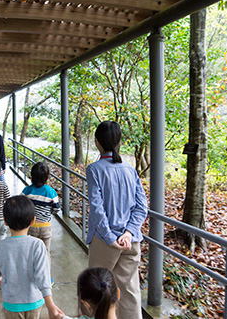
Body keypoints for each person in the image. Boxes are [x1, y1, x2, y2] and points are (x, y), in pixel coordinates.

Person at [85, 121, 148, 319]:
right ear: (119, 141)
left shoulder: (94, 169)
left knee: (97, 292)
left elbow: (96, 208)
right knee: (129, 291)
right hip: (131, 241)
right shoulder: (130, 169)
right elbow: (142, 206)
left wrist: (110, 237)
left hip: (106, 242)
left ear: (97, 142)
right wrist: (129, 232)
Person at [0, 196, 64, 319]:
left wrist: (1, 277)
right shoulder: (37, 245)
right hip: (34, 302)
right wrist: (50, 306)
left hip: (11, 303)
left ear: (5, 221)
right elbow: (43, 277)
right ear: (33, 220)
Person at [21, 162, 60, 266]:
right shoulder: (51, 192)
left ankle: (30, 275)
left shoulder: (27, 190)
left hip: (31, 226)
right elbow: (57, 209)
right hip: (45, 227)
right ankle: (46, 277)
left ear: (32, 176)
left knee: (31, 252)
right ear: (47, 177)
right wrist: (47, 213)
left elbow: (22, 206)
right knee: (45, 252)